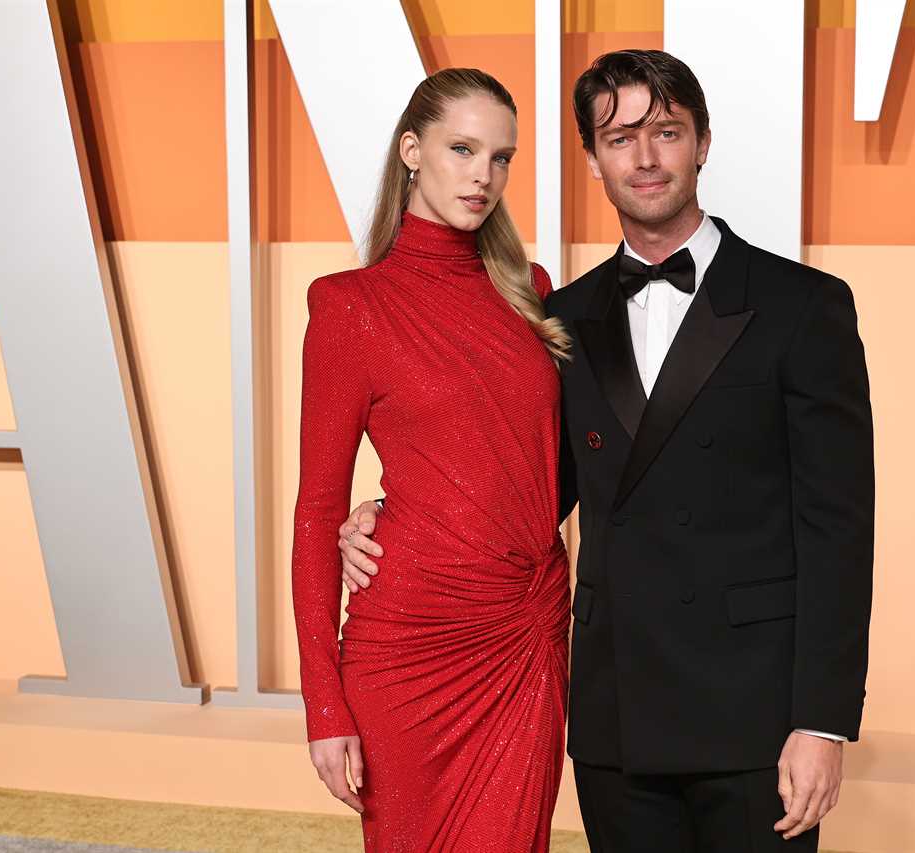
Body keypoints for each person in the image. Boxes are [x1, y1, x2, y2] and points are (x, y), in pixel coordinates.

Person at [339, 49, 874, 852]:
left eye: (666, 131)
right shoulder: (564, 314)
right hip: (616, 717)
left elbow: (841, 530)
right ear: (592, 158)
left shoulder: (803, 305)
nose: (646, 157)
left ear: (702, 142)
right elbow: (528, 485)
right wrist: (391, 513)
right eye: (620, 138)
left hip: (756, 721)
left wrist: (822, 722)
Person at [289, 67, 574, 853]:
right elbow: (317, 509)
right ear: (412, 150)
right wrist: (324, 707)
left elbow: (551, 464)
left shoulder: (531, 292)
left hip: (526, 633)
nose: (484, 175)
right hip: (409, 647)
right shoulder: (350, 306)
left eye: (502, 156)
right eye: (462, 148)